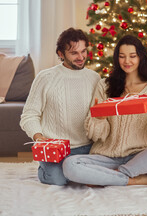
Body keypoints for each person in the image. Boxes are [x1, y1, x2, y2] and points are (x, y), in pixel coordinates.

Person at [62, 35, 147, 187]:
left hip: (141, 158)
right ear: (117, 59)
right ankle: (133, 179)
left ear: (141, 57)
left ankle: (113, 177)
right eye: (122, 56)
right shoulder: (104, 86)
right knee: (70, 165)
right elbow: (94, 136)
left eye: (132, 56)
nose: (127, 61)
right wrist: (99, 119)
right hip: (107, 157)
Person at [20, 27, 100, 186]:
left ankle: (77, 172)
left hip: (86, 148)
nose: (81, 57)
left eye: (83, 51)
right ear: (61, 54)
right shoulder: (46, 77)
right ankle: (49, 169)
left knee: (101, 172)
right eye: (74, 53)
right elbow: (29, 115)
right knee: (57, 179)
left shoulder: (94, 78)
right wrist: (38, 137)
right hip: (55, 148)